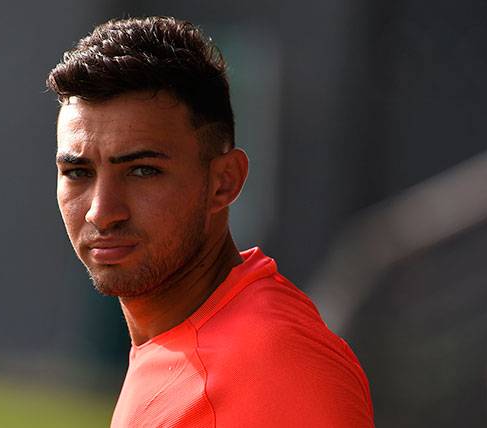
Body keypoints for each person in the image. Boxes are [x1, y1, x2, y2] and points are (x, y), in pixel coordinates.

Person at [47, 16, 374, 427]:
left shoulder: (275, 367)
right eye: (78, 172)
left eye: (143, 171)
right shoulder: (177, 343)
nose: (101, 211)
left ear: (224, 182)